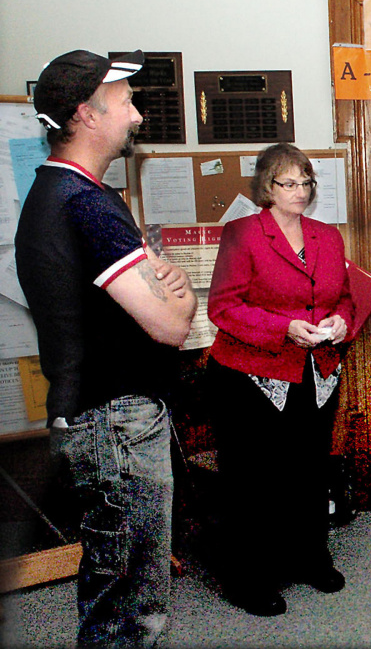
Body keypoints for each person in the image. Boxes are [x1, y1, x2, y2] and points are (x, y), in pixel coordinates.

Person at [14, 49, 196, 646]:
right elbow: (171, 325)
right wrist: (186, 295)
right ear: (87, 115)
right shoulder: (85, 204)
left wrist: (168, 294)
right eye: (125, 103)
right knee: (130, 607)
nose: (137, 116)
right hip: (116, 423)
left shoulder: (58, 194)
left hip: (96, 418)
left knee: (110, 584)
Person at [206, 143, 355, 617]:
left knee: (310, 471)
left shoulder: (327, 236)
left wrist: (339, 323)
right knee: (254, 479)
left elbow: (346, 298)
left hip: (316, 373)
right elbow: (223, 308)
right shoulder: (242, 234)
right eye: (288, 182)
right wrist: (283, 327)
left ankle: (309, 557)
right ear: (266, 188)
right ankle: (248, 577)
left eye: (306, 182)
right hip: (252, 376)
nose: (299, 191)